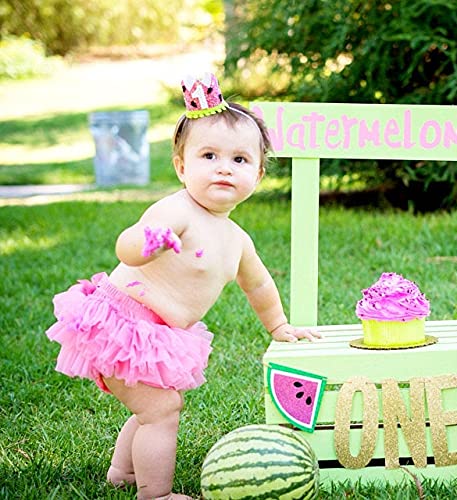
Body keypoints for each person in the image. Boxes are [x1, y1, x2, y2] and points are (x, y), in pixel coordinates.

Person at [46, 73, 319, 500]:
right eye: (209, 155)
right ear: (181, 166)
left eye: (240, 160)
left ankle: (123, 473)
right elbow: (126, 247)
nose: (224, 167)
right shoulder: (177, 211)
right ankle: (155, 494)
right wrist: (149, 242)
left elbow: (260, 285)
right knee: (162, 409)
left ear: (259, 174)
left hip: (159, 332)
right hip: (122, 323)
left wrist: (279, 326)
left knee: (153, 404)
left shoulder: (237, 241)